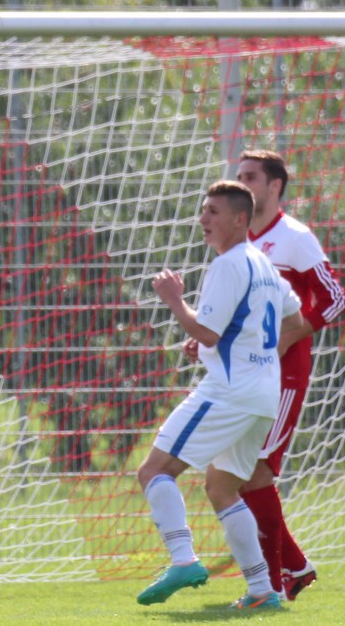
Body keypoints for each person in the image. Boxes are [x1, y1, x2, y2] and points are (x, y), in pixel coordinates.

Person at [134, 180, 308, 612]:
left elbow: (207, 329)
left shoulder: (229, 265)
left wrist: (176, 302)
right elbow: (297, 317)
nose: (204, 219)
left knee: (154, 470)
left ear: (240, 219)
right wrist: (229, 346)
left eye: (213, 211)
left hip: (229, 392)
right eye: (203, 210)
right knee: (222, 487)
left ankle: (182, 559)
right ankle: (263, 589)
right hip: (261, 396)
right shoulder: (265, 265)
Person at [232, 150, 345, 600]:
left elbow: (335, 297)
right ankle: (293, 569)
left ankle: (278, 577)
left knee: (253, 468)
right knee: (239, 472)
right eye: (238, 176)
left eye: (250, 177)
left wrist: (295, 330)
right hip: (243, 373)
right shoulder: (238, 239)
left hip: (284, 375)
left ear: (274, 186)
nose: (241, 183)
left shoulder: (295, 237)